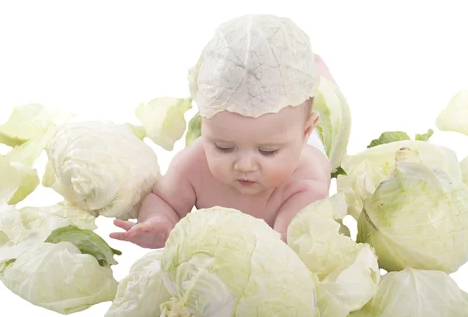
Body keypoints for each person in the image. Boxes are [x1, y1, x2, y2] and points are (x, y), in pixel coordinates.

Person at [110, 14, 337, 248]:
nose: (245, 165)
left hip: (310, 146)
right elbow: (162, 199)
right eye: (224, 147)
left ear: (306, 131)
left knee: (322, 93)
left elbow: (285, 251)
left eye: (268, 151)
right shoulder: (194, 164)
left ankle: (317, 67)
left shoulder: (306, 182)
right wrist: (159, 221)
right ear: (204, 126)